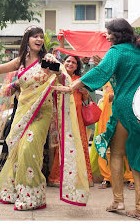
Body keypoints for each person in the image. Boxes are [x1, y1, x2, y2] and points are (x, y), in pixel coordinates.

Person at [54, 19, 140, 220]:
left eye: (108, 33)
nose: (106, 36)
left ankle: (118, 200)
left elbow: (100, 72)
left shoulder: (116, 52)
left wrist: (71, 87)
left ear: (117, 33)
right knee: (136, 155)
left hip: (123, 106)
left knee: (116, 153)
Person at [0, 26, 89, 210]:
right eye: (35, 36)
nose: (39, 39)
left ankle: (33, 197)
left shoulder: (46, 61)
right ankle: (19, 191)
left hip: (42, 112)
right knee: (18, 151)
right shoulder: (20, 62)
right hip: (22, 112)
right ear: (27, 39)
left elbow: (62, 78)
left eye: (41, 36)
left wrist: (58, 70)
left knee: (28, 149)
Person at [47, 55, 94, 187]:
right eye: (68, 61)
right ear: (63, 63)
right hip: (61, 118)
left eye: (74, 62)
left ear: (77, 66)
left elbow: (85, 100)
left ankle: (82, 178)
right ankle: (58, 178)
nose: (70, 64)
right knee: (61, 147)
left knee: (80, 146)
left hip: (77, 119)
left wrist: (84, 92)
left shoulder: (80, 80)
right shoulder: (56, 78)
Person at [90, 82, 135, 190]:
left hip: (123, 115)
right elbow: (109, 96)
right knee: (105, 148)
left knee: (127, 148)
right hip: (106, 115)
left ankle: (131, 178)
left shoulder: (127, 77)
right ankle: (107, 177)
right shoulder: (107, 78)